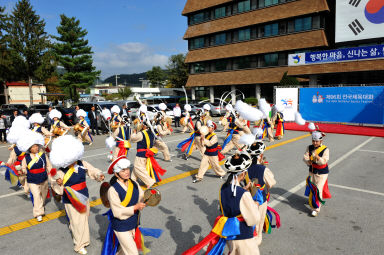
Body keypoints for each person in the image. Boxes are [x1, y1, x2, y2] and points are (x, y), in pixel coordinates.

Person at [183, 151, 260, 255]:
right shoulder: (243, 194)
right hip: (242, 233)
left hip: (229, 232)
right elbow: (253, 219)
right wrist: (255, 205)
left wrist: (244, 190)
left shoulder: (223, 187)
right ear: (243, 173)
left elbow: (231, 201)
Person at [50, 135, 105, 254]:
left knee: (84, 218)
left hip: (84, 194)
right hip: (71, 198)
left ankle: (82, 238)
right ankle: (79, 245)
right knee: (77, 221)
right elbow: (54, 184)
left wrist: (98, 174)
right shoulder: (61, 170)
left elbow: (92, 170)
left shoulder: (82, 163)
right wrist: (59, 183)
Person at [104, 156, 146, 255]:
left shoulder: (134, 183)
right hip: (121, 226)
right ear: (116, 174)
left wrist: (147, 199)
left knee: (124, 250)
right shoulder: (112, 190)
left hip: (134, 222)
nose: (127, 172)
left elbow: (141, 196)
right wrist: (135, 207)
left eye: (127, 169)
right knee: (133, 252)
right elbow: (117, 212)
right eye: (123, 170)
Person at [17, 130, 52, 222]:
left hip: (43, 177)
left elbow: (49, 166)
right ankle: (38, 213)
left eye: (37, 145)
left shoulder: (43, 155)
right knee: (36, 195)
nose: (36, 147)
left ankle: (41, 205)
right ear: (30, 148)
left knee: (43, 195)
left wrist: (53, 176)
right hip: (32, 179)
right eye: (34, 146)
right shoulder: (26, 157)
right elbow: (24, 168)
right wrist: (22, 172)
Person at [246, 140, 276, 245]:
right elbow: (271, 183)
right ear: (261, 154)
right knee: (259, 219)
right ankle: (256, 240)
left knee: (249, 218)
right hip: (260, 199)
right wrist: (264, 167)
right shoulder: (263, 169)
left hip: (247, 197)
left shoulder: (245, 167)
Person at [130, 118, 166, 188]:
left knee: (138, 168)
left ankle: (149, 181)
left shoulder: (141, 133)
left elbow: (133, 139)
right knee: (137, 167)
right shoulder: (152, 132)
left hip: (141, 154)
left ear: (144, 126)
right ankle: (132, 180)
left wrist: (134, 132)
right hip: (148, 153)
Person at [303, 131, 331, 217]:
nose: (315, 143)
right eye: (313, 141)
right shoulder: (309, 147)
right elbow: (305, 157)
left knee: (318, 189)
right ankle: (312, 200)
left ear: (321, 141)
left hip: (322, 172)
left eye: (317, 141)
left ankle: (316, 208)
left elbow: (324, 161)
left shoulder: (325, 149)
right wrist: (308, 161)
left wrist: (318, 157)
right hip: (312, 170)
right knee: (312, 187)